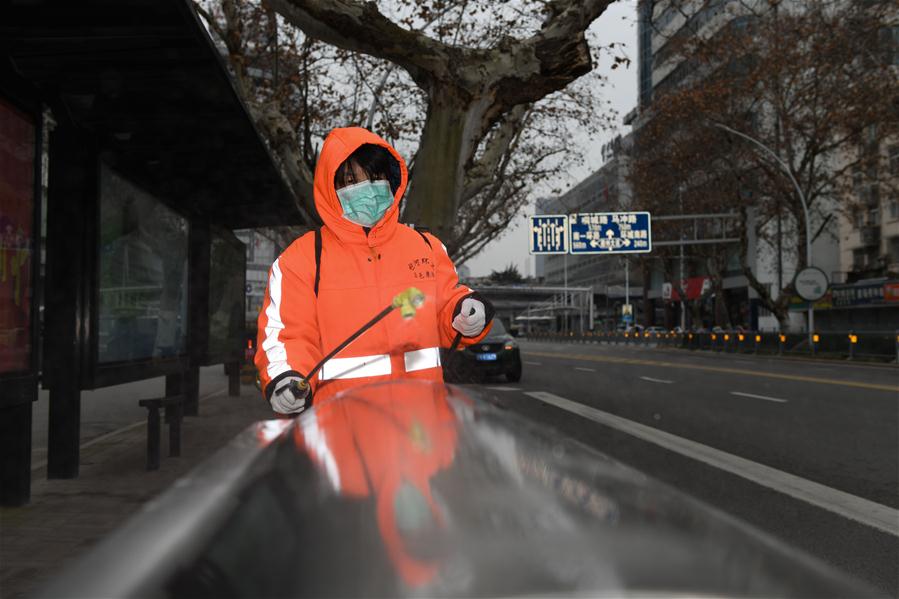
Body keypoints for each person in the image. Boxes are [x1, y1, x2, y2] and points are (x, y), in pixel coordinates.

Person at [255, 127, 494, 414]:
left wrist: (465, 311)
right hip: (341, 425)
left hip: (422, 423)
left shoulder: (426, 247)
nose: (367, 189)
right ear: (331, 188)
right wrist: (285, 376)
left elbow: (446, 304)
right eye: (351, 180)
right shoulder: (301, 259)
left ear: (390, 180)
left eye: (376, 177)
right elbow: (287, 335)